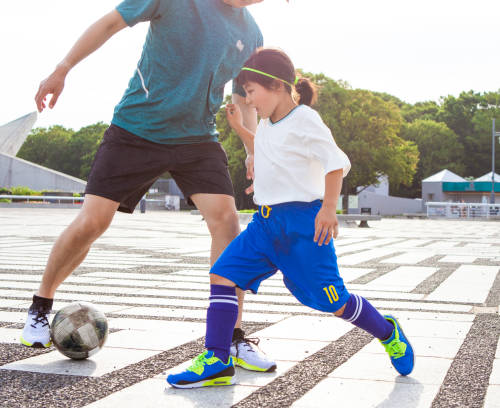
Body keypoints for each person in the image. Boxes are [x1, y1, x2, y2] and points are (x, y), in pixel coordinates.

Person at [21, 0, 278, 373]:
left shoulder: (250, 31)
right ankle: (40, 308)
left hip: (197, 138)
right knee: (93, 222)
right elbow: (110, 23)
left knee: (227, 222)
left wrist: (253, 147)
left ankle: (231, 336)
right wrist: (63, 69)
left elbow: (244, 97)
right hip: (136, 130)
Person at [166, 48, 415, 388]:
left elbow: (334, 164)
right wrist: (240, 128)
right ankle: (217, 359)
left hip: (304, 226)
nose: (250, 100)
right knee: (223, 275)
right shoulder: (269, 124)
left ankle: (388, 332)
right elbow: (266, 148)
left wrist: (329, 209)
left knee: (333, 301)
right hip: (266, 224)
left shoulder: (306, 120)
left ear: (277, 85)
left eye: (252, 92)